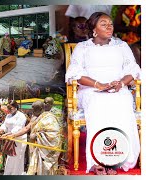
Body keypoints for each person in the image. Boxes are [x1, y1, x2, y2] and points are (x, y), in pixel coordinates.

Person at [65, 12, 140, 175]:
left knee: (122, 102)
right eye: (104, 24)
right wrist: (99, 85)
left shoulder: (121, 46)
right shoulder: (82, 48)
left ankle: (116, 159)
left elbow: (133, 70)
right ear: (94, 29)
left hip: (117, 89)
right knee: (99, 104)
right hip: (92, 90)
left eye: (111, 24)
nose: (109, 27)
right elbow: (75, 74)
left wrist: (121, 83)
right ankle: (99, 159)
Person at [5, 100, 61, 175]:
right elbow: (26, 128)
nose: (33, 111)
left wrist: (37, 135)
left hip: (46, 150)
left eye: (35, 109)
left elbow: (54, 134)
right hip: (36, 149)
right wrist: (13, 135)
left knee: (45, 169)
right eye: (33, 109)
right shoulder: (35, 117)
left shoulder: (49, 118)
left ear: (41, 108)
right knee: (36, 168)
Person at [0, 100, 27, 175]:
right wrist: (1, 130)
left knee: (18, 158)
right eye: (8, 108)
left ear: (15, 107)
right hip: (10, 139)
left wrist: (8, 134)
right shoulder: (8, 115)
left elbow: (18, 128)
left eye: (10, 108)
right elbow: (5, 124)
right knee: (10, 157)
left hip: (19, 140)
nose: (8, 110)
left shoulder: (21, 116)